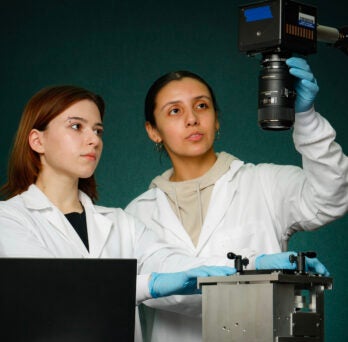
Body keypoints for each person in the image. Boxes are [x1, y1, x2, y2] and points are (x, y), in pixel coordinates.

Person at [125, 57, 348, 342]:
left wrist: (306, 118)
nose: (192, 118)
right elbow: (143, 292)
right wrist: (255, 265)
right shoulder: (137, 214)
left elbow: (333, 196)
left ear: (216, 119)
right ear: (153, 131)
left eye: (201, 106)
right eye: (174, 111)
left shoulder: (264, 183)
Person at [0, 85, 238, 342]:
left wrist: (249, 265)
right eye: (76, 126)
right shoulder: (9, 219)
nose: (94, 140)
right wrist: (150, 285)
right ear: (38, 140)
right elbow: (55, 290)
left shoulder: (120, 222)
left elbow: (170, 263)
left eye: (98, 130)